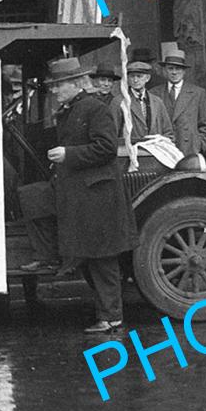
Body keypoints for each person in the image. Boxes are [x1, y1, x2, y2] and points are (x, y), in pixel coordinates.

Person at [43, 58, 137, 332]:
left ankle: (112, 318)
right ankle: (107, 315)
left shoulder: (94, 108)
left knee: (102, 259)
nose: (55, 91)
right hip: (86, 196)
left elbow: (106, 148)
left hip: (98, 198)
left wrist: (68, 154)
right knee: (90, 257)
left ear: (76, 84)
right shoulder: (74, 108)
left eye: (59, 85)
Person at [155, 49, 206, 160]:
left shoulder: (197, 93)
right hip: (163, 151)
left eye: (178, 68)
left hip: (189, 150)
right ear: (164, 70)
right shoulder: (155, 93)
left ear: (184, 71)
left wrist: (199, 145)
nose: (174, 72)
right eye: (170, 68)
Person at [112, 61, 173, 145]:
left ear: (147, 78)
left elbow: (168, 132)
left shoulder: (157, 102)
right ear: (128, 78)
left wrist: (160, 140)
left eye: (139, 76)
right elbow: (112, 133)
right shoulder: (119, 102)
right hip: (130, 152)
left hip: (154, 152)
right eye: (132, 76)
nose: (135, 80)